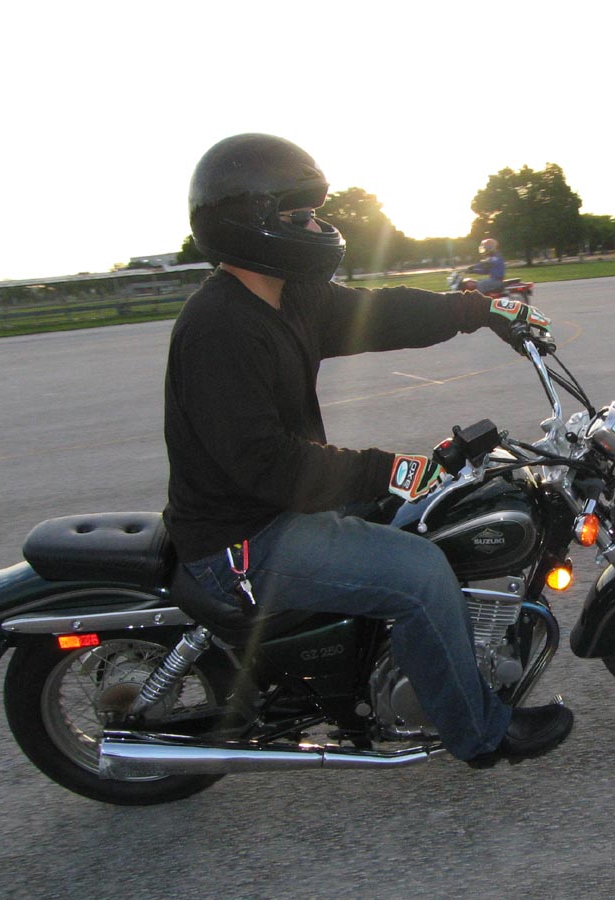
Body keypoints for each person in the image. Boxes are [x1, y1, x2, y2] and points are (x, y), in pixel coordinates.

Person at [164, 133, 572, 768]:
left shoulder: (288, 298)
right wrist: (391, 471)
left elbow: (383, 312)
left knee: (422, 523)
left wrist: (483, 310)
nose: (318, 226)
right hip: (242, 541)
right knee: (420, 576)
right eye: (302, 215)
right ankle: (481, 733)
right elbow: (267, 463)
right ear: (253, 221)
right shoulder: (221, 326)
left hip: (273, 511)